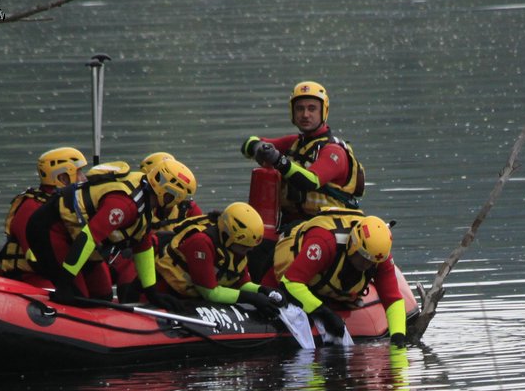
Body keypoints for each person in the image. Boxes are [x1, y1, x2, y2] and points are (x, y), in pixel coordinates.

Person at [27, 155, 199, 303]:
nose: (176, 204)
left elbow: (142, 244)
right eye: (175, 198)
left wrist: (151, 292)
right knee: (77, 297)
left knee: (103, 294)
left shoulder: (145, 199)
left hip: (77, 235)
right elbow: (89, 237)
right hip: (52, 228)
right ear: (166, 192)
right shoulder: (126, 204)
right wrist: (65, 283)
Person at [266, 210, 408, 345]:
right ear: (353, 245)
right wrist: (325, 314)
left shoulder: (379, 255)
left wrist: (398, 339)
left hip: (325, 286)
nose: (367, 264)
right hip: (281, 268)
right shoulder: (324, 242)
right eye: (363, 257)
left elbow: (393, 300)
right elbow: (290, 282)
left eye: (372, 262)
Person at [239, 81, 365, 231]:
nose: (305, 115)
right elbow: (247, 144)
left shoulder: (334, 151)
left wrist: (279, 161)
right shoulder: (293, 143)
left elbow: (311, 181)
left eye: (312, 109)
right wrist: (258, 147)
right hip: (291, 227)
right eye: (300, 109)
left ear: (323, 111)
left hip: (329, 228)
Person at [0, 146, 114, 299]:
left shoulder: (75, 204)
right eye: (79, 173)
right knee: (76, 295)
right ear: (62, 177)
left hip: (67, 266)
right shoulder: (31, 207)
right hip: (32, 276)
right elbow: (36, 257)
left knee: (101, 289)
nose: (84, 179)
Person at [152, 201, 283, 309]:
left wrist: (263, 290)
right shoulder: (201, 242)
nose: (249, 251)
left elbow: (241, 283)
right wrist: (251, 298)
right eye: (245, 247)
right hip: (167, 292)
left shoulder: (236, 246)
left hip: (193, 296)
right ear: (229, 236)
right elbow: (210, 293)